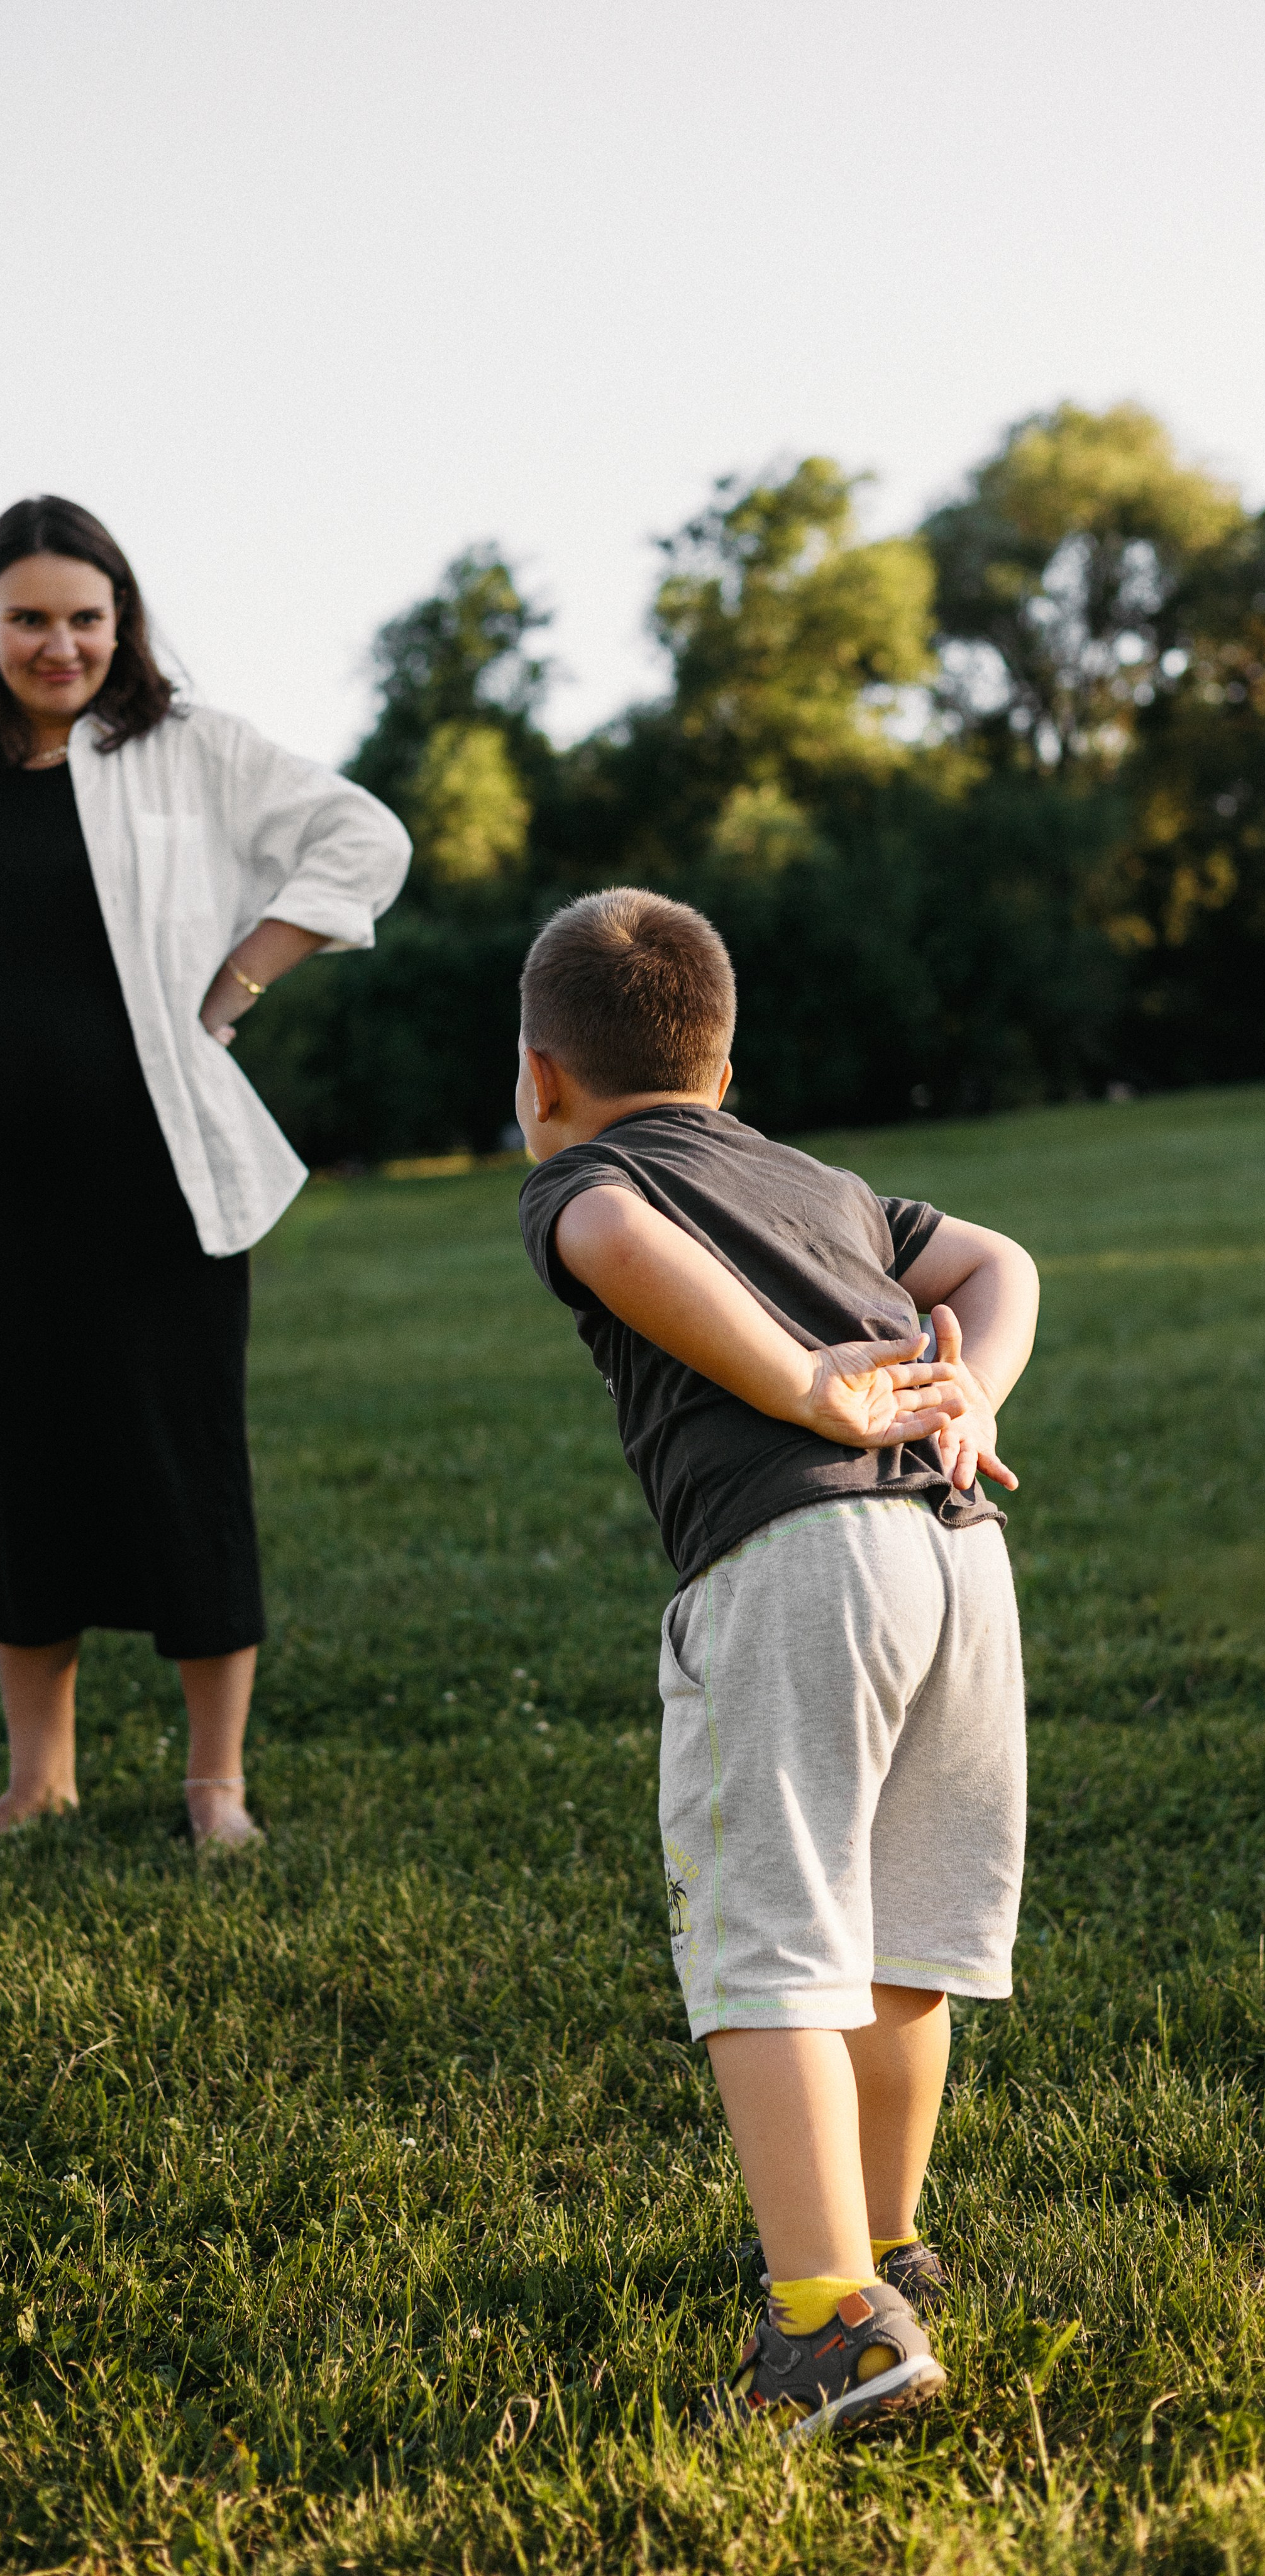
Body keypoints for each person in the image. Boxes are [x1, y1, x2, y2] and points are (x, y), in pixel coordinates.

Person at [0, 496, 409, 1848]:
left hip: (156, 1181)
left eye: (85, 617)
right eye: (30, 618)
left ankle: (214, 1787)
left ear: (121, 621)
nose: (59, 644)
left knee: (185, 1463)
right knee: (21, 1471)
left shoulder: (196, 751)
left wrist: (238, 981)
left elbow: (364, 839)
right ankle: (40, 1778)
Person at [515, 888, 1038, 2440]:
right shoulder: (823, 1182)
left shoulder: (586, 1174)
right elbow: (1000, 1262)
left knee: (770, 1942)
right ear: (724, 1074)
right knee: (899, 1936)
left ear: (540, 1075)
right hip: (955, 1552)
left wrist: (808, 1381)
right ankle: (886, 2241)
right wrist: (972, 1395)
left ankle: (825, 2319)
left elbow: (607, 1233)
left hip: (797, 1560)